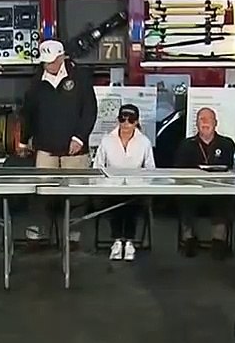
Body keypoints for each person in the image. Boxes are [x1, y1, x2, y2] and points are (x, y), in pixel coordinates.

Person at [20, 39, 98, 244]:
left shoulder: (80, 77)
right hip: (45, 147)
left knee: (75, 195)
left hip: (75, 149)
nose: (49, 66)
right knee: (42, 193)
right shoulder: (36, 81)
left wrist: (79, 138)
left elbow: (89, 110)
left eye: (52, 61)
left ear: (62, 57)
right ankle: (39, 235)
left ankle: (72, 236)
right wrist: (23, 140)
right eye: (45, 62)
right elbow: (28, 112)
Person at [93, 104, 155, 262]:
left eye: (131, 119)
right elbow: (97, 166)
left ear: (136, 122)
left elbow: (150, 169)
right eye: (123, 118)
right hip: (111, 188)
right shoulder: (107, 140)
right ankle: (117, 240)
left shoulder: (144, 142)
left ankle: (128, 241)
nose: (126, 123)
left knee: (131, 203)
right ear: (118, 120)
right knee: (116, 202)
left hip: (136, 189)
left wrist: (142, 184)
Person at [174, 107, 235, 258]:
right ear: (196, 123)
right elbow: (178, 171)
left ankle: (219, 241)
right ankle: (188, 239)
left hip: (218, 189)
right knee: (184, 197)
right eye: (201, 119)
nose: (205, 123)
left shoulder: (227, 144)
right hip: (194, 190)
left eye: (208, 119)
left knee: (223, 199)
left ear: (216, 123)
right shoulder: (186, 144)